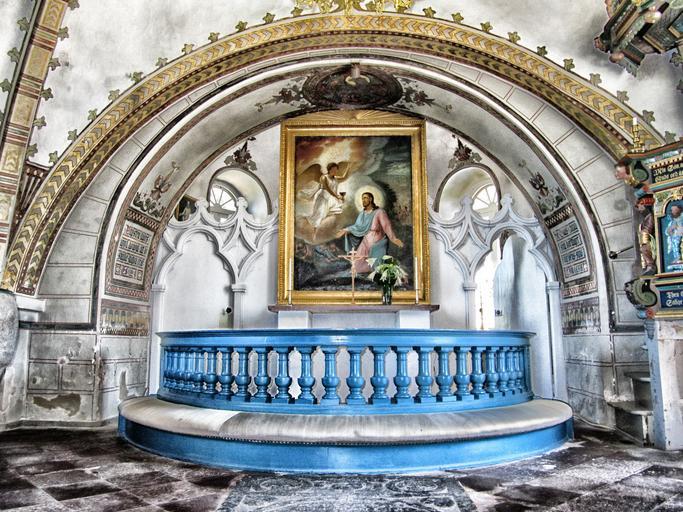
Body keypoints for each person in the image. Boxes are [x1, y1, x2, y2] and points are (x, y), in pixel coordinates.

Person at [336, 191, 403, 273]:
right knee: (356, 267)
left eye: (365, 198)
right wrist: (345, 230)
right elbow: (357, 226)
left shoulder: (379, 212)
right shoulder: (362, 214)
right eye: (362, 198)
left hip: (377, 244)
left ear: (370, 199)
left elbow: (387, 226)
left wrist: (394, 239)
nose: (363, 200)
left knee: (377, 267)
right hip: (365, 243)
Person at [299, 162, 348, 239]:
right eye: (333, 169)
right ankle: (314, 234)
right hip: (321, 197)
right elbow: (328, 189)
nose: (335, 171)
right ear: (329, 169)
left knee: (334, 211)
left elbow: (344, 177)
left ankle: (331, 230)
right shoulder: (324, 177)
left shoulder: (335, 178)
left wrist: (349, 167)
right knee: (319, 215)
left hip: (329, 197)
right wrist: (337, 196)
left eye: (336, 169)